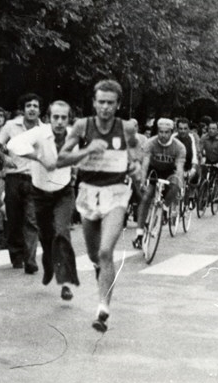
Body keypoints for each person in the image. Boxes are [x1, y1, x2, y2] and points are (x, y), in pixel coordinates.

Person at [57, 79, 139, 332]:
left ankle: (103, 307)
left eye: (110, 103)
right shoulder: (83, 126)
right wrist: (87, 150)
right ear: (94, 103)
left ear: (118, 105)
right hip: (88, 192)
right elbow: (61, 159)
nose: (105, 107)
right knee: (94, 255)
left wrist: (136, 166)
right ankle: (99, 272)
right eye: (101, 102)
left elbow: (136, 152)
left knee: (106, 252)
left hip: (116, 193)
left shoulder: (125, 129)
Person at [8, 100, 79, 300]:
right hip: (39, 192)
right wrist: (39, 157)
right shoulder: (40, 133)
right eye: (55, 117)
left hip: (63, 192)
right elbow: (13, 144)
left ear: (68, 119)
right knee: (47, 238)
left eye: (63, 117)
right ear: (48, 118)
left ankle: (65, 282)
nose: (59, 121)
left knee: (62, 233)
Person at [0, 94, 43, 274]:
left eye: (35, 106)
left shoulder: (44, 130)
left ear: (40, 110)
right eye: (28, 105)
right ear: (23, 109)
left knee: (32, 220)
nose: (31, 109)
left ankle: (30, 260)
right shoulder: (11, 126)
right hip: (14, 178)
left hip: (35, 180)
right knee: (14, 219)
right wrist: (3, 157)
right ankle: (16, 255)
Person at [131, 118, 185, 248]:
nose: (163, 135)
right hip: (154, 170)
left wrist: (179, 184)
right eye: (161, 132)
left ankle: (165, 208)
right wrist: (143, 181)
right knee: (146, 197)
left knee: (175, 185)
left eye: (167, 132)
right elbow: (145, 164)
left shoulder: (179, 147)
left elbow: (179, 168)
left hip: (169, 172)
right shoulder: (150, 143)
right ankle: (139, 235)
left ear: (172, 132)